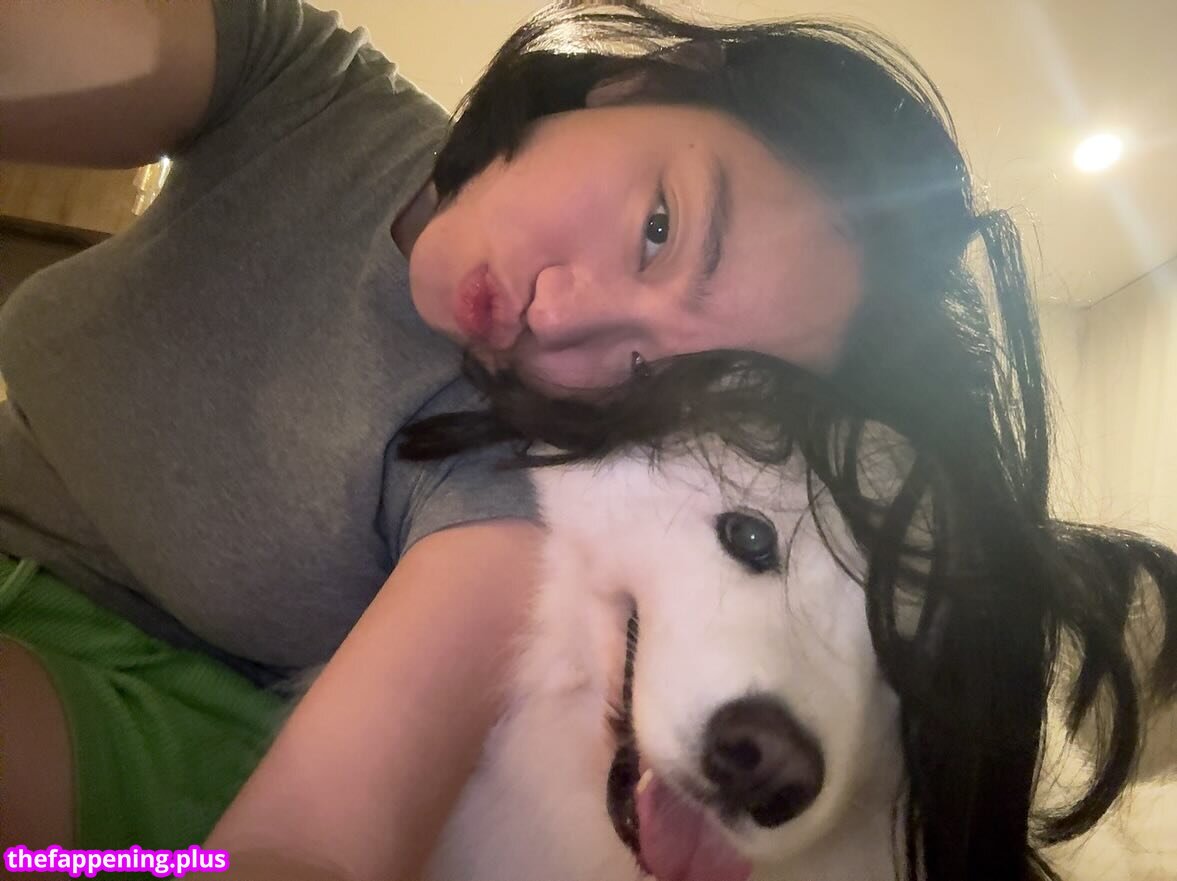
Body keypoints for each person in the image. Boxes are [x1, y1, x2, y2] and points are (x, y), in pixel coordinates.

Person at [4, 2, 1170, 880]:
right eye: (661, 226)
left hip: (116, 704)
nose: (561, 318)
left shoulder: (508, 485)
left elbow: (310, 847)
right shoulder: (315, 94)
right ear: (640, 78)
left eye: (655, 372)